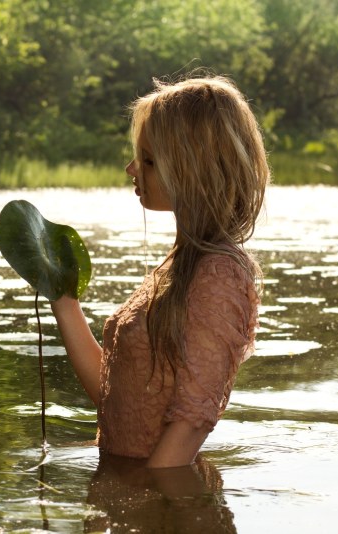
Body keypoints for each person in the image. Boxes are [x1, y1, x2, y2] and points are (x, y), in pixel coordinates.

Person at [50, 74, 269, 468]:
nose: (132, 168)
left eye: (149, 160)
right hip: (125, 482)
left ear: (193, 170)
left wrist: (145, 497)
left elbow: (191, 424)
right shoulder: (180, 265)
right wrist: (64, 301)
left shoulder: (219, 273)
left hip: (160, 496)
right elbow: (115, 397)